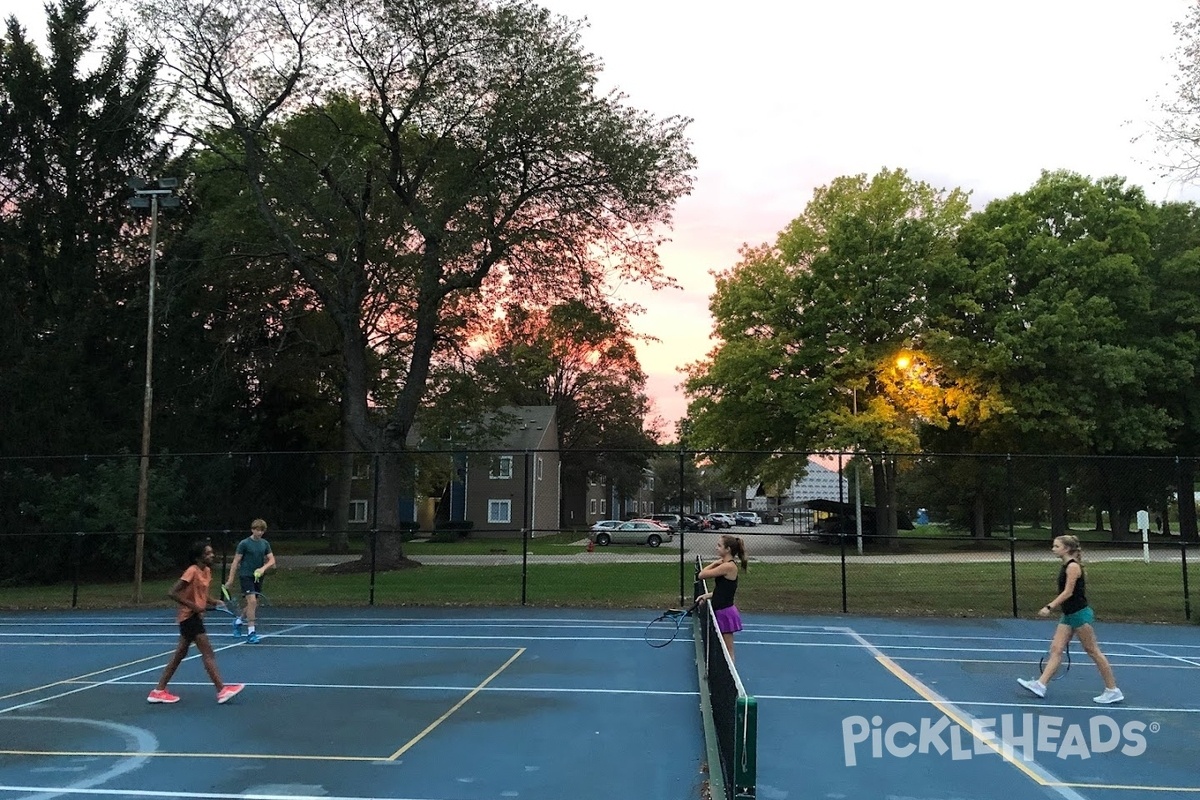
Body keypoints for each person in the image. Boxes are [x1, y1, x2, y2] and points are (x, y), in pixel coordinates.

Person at [1017, 534, 1123, 704]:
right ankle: (1040, 685)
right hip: (1068, 615)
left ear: (1066, 549)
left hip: (1079, 614)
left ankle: (1112, 690)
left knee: (1092, 651)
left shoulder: (1072, 567)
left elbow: (1068, 592)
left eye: (1056, 546)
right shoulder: (1066, 565)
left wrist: (1049, 607)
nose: (1053, 549)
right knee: (1056, 649)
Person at [148, 540, 245, 704]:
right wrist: (193, 606)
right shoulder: (192, 571)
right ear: (199, 557)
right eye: (208, 553)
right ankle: (222, 690)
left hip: (195, 617)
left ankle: (158, 690)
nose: (211, 555)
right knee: (207, 652)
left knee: (180, 654)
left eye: (211, 552)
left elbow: (201, 594)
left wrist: (213, 602)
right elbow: (172, 593)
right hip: (188, 617)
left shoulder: (206, 571)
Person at [696, 534, 748, 662]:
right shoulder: (726, 565)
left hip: (725, 613)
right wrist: (707, 595)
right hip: (719, 609)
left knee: (728, 649)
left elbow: (701, 575)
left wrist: (715, 563)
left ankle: (731, 680)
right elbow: (723, 590)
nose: (716, 548)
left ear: (728, 549)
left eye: (719, 546)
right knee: (720, 647)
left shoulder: (728, 566)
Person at [224, 518, 276, 644]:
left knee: (253, 604)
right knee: (252, 601)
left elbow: (272, 560)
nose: (259, 533)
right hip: (246, 575)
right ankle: (251, 632)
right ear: (252, 530)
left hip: (258, 577)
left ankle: (238, 621)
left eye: (262, 530)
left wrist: (263, 568)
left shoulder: (265, 544)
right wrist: (230, 579)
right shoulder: (244, 544)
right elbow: (236, 562)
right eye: (257, 530)